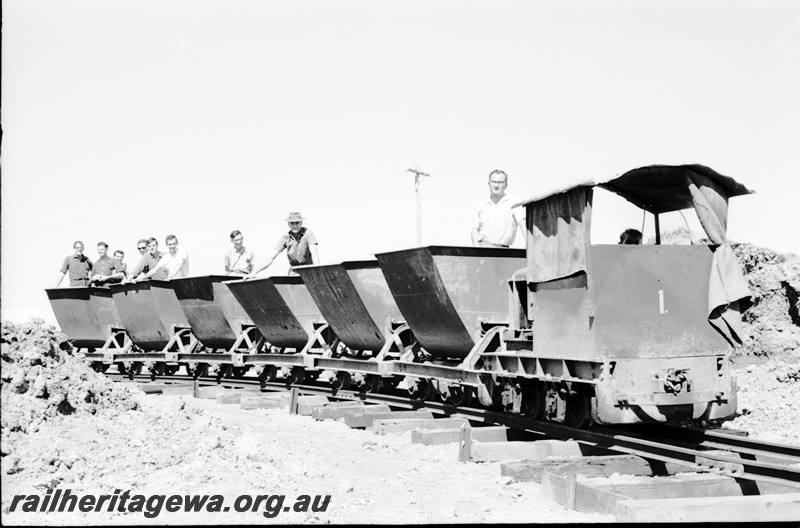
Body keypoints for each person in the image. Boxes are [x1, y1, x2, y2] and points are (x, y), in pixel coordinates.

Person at [248, 212, 319, 277]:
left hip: (308, 270)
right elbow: (271, 257)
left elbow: (314, 253)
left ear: (301, 223)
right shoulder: (286, 237)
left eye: (297, 223)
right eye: (292, 223)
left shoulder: (308, 233)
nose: (295, 226)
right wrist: (254, 272)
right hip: (294, 272)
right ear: (288, 224)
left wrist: (318, 272)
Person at [470, 169, 525, 248]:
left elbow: (523, 224)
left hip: (502, 251)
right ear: (489, 184)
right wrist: (476, 245)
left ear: (506, 185)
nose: (496, 185)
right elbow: (475, 229)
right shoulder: (482, 205)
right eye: (493, 182)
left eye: (500, 182)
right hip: (482, 249)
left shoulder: (514, 202)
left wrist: (529, 245)